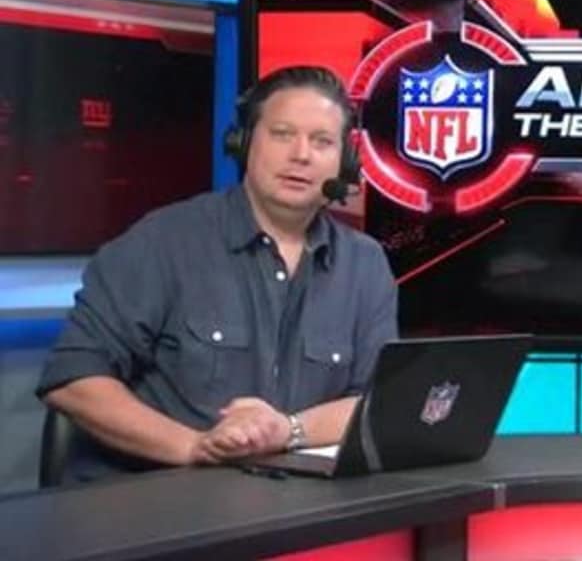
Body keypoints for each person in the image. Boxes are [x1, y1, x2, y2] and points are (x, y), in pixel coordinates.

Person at [37, 66, 398, 482]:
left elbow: (378, 402)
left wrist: (288, 430)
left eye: (322, 141)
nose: (302, 154)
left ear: (344, 162)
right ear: (242, 143)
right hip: (161, 494)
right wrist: (192, 446)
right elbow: (73, 379)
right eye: (282, 134)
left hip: (295, 503)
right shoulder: (164, 241)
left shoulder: (364, 263)